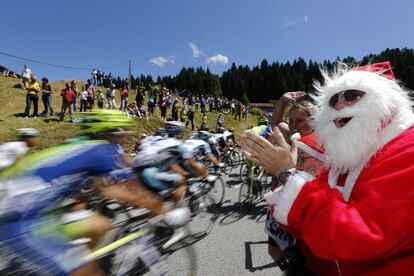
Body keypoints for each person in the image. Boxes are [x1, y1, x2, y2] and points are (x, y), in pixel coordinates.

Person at [242, 62, 414, 274]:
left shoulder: (408, 151)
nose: (340, 104)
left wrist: (287, 174)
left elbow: (359, 239)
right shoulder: (350, 152)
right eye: (334, 99)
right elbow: (309, 220)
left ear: (384, 98)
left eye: (352, 95)